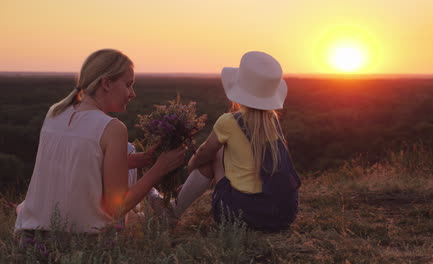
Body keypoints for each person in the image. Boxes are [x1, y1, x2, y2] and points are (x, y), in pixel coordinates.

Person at [15, 49, 186, 233]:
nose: (133, 93)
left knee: (127, 152)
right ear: (106, 83)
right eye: (128, 85)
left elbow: (77, 163)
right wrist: (159, 169)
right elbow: (117, 208)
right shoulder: (112, 128)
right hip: (82, 241)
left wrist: (141, 159)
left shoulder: (55, 113)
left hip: (31, 237)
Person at [162, 51, 301, 232]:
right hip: (283, 215)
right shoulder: (272, 121)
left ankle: (173, 212)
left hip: (240, 216)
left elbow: (204, 153)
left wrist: (191, 167)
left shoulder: (229, 121)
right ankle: (172, 209)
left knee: (215, 153)